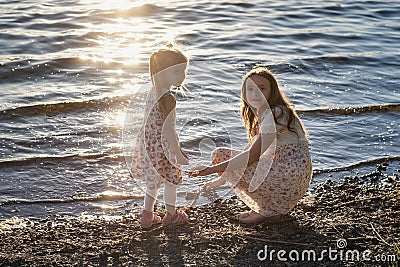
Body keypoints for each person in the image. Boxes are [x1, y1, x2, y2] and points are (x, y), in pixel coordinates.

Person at [189, 66, 312, 224]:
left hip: (285, 181)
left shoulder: (274, 114)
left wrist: (210, 170)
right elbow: (251, 149)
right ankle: (270, 209)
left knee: (219, 155)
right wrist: (218, 182)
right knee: (228, 157)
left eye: (262, 88)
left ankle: (266, 212)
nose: (255, 94)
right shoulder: (276, 112)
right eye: (250, 89)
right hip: (294, 182)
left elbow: (252, 156)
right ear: (244, 92)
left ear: (272, 91)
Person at [130, 44, 190, 228]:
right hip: (163, 146)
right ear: (163, 72)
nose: (183, 76)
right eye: (177, 71)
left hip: (149, 144)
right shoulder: (168, 98)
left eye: (184, 71)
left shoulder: (153, 90)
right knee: (170, 181)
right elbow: (168, 130)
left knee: (154, 181)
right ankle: (171, 215)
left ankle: (147, 215)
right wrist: (178, 153)